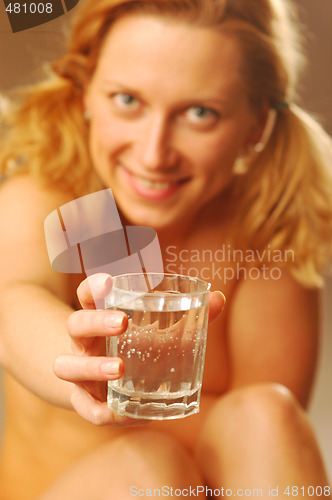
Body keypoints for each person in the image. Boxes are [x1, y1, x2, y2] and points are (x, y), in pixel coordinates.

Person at [0, 0, 332, 498]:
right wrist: (81, 355)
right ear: (87, 89)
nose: (154, 153)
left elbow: (263, 445)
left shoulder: (263, 236)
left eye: (200, 113)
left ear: (257, 125)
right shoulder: (51, 194)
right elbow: (11, 299)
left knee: (266, 413)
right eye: (128, 100)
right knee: (152, 466)